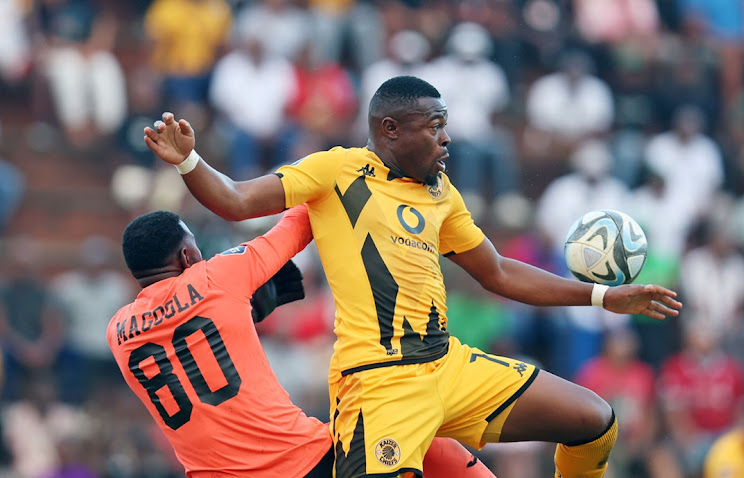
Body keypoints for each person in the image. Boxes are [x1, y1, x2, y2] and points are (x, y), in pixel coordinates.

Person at [144, 75, 681, 478]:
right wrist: (190, 163)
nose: (447, 139)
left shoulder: (440, 192)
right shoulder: (337, 170)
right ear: (391, 130)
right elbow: (237, 201)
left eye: (446, 125)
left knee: (594, 419)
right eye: (436, 126)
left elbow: (496, 273)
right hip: (379, 383)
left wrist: (601, 297)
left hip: (447, 365)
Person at [107, 206, 495, 477]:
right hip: (301, 463)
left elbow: (184, 344)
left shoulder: (118, 332)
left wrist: (240, 312)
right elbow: (298, 224)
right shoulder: (214, 276)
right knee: (425, 441)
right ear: (189, 255)